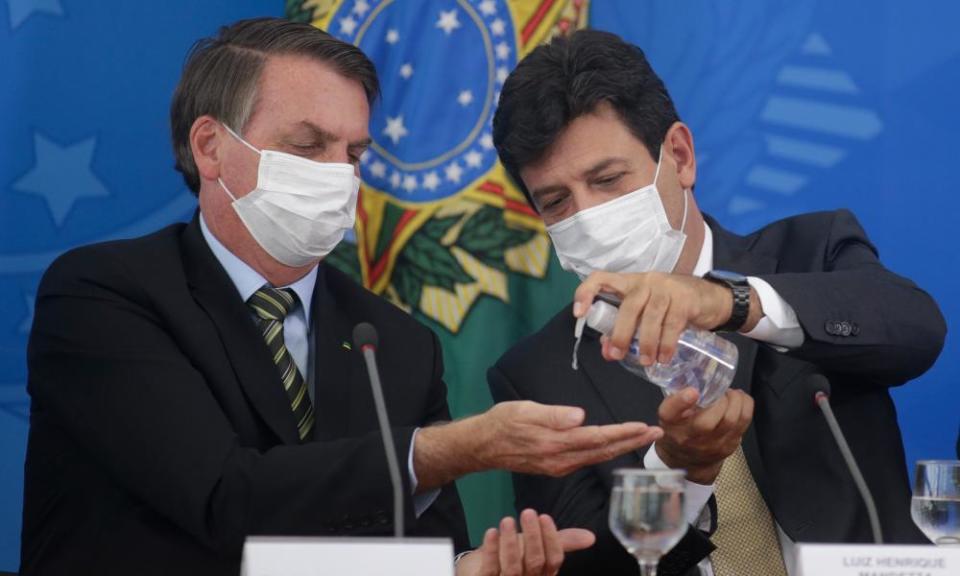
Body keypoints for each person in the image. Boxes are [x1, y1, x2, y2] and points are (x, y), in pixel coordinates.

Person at [19, 19, 664, 576]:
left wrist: (470, 568)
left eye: (353, 152)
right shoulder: (104, 296)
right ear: (210, 146)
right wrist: (450, 448)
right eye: (308, 146)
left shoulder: (398, 343)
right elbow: (225, 498)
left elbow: (425, 552)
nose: (337, 174)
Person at [488, 29, 946, 576]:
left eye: (608, 179)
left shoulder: (810, 252)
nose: (587, 215)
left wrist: (729, 302)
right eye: (556, 201)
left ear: (679, 157)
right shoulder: (538, 376)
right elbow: (595, 563)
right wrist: (677, 470)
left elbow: (917, 330)